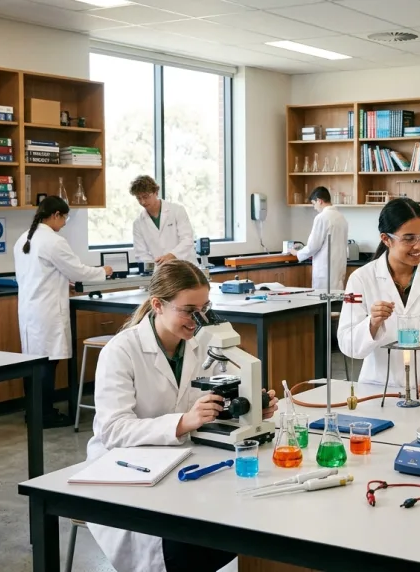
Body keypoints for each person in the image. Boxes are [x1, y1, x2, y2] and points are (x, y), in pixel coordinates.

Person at [86, 260, 278, 572]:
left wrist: (255, 403)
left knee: (248, 514)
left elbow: (223, 394)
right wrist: (183, 422)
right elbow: (113, 429)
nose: (198, 320)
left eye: (205, 308)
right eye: (189, 310)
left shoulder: (201, 343)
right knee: (182, 542)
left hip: (186, 455)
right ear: (157, 305)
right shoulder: (121, 351)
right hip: (127, 465)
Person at [338, 198, 420, 396]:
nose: (419, 246)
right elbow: (348, 345)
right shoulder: (361, 279)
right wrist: (371, 324)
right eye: (409, 238)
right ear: (385, 239)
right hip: (378, 389)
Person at [15, 196, 112, 428]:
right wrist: (102, 271)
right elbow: (77, 271)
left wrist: (60, 281)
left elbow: (41, 273)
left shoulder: (23, 239)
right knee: (47, 364)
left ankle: (34, 412)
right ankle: (44, 416)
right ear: (56, 215)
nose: (65, 222)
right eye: (65, 217)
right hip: (47, 311)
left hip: (30, 310)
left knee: (34, 364)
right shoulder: (53, 241)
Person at [130, 175, 198, 267]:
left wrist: (171, 255)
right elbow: (141, 254)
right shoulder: (138, 223)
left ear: (156, 192)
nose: (142, 202)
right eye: (139, 198)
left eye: (145, 197)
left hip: (185, 267)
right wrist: (156, 268)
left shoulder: (177, 210)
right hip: (161, 271)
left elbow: (187, 240)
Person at [290, 186, 348, 290]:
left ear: (319, 201)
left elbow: (313, 246)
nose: (314, 207)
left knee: (323, 302)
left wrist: (298, 253)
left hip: (325, 272)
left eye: (314, 203)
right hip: (338, 270)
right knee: (335, 302)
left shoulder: (322, 217)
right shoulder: (341, 217)